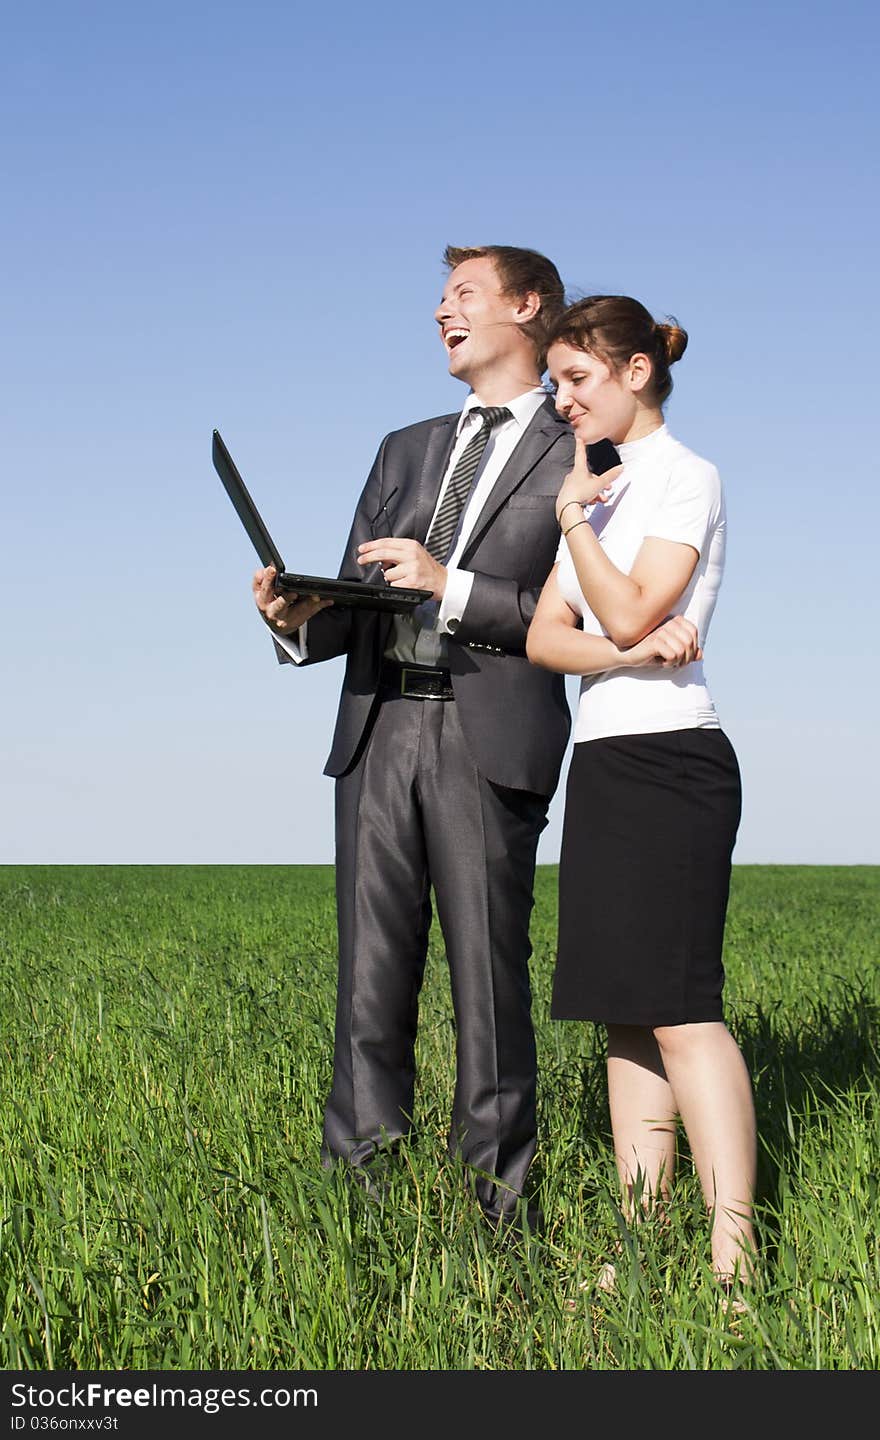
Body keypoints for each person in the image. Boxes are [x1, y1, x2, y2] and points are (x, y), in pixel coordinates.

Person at [250, 245, 689, 1231]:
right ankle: (360, 1207)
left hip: (488, 735)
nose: (440, 311)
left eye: (463, 295)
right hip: (374, 732)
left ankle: (499, 1216)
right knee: (367, 984)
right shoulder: (402, 448)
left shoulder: (590, 447)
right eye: (439, 298)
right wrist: (297, 620)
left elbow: (591, 610)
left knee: (488, 988)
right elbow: (363, 599)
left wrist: (448, 583)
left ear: (528, 307)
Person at [526, 295, 757, 1293]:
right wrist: (623, 641)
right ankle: (640, 1242)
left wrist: (574, 520)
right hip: (609, 765)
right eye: (554, 384)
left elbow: (616, 606)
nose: (563, 400)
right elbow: (545, 640)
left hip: (675, 764)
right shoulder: (607, 487)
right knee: (623, 1014)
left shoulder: (680, 478)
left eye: (576, 379)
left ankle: (734, 1258)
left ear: (634, 371)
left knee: (681, 1012)